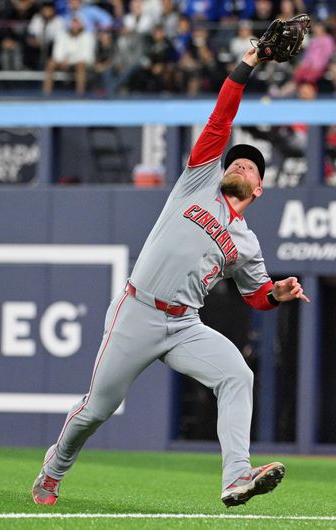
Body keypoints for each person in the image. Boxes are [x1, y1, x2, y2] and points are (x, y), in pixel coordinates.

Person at [32, 46, 310, 508]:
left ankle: (236, 475)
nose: (240, 164)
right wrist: (249, 62)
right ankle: (54, 468)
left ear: (259, 188)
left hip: (184, 325)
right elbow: (221, 118)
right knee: (95, 410)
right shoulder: (198, 182)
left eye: (250, 165)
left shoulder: (247, 243)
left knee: (237, 374)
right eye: (235, 161)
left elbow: (256, 296)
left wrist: (276, 294)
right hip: (137, 311)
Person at [43, 15, 96, 95]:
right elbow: (58, 52)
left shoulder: (88, 36)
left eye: (77, 23)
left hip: (79, 63)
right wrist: (62, 60)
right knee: (50, 63)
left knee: (81, 66)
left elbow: (87, 56)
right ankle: (46, 92)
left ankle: (80, 94)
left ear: (81, 25)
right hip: (63, 62)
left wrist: (69, 61)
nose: (75, 26)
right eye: (73, 23)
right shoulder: (62, 35)